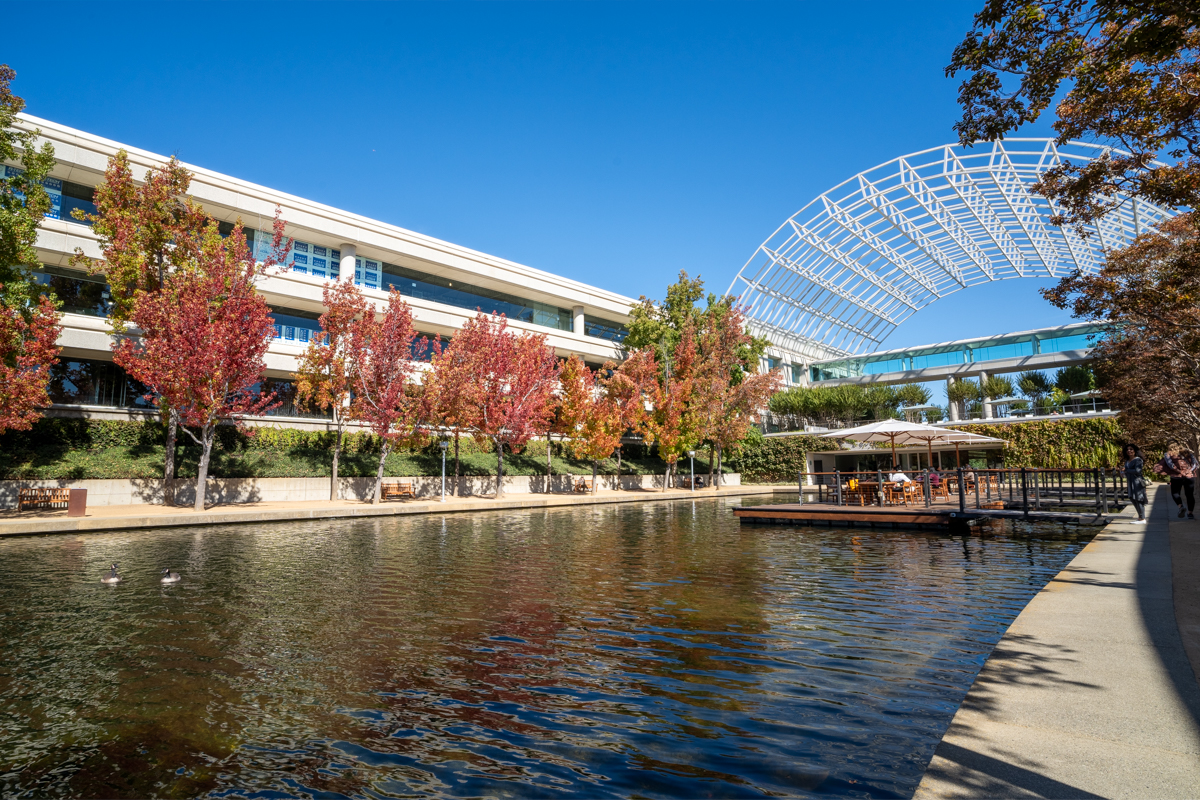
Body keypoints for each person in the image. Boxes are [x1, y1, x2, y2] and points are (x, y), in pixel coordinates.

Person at [1154, 444, 1197, 520]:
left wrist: (1180, 471)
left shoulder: (1168, 454)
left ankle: (1180, 506)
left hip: (1176, 476)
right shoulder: (1188, 453)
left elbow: (1170, 465)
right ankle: (1190, 513)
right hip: (1189, 476)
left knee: (1175, 493)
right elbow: (1195, 464)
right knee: (1189, 495)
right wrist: (1189, 471)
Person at [1123, 443, 1149, 523]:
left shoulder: (1138, 460)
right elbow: (1126, 471)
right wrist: (1122, 472)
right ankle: (1140, 517)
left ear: (1135, 450)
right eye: (1127, 449)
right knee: (1132, 498)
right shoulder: (1127, 461)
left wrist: (1126, 470)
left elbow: (1138, 471)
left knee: (1138, 498)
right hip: (1130, 481)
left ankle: (1142, 518)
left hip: (1137, 482)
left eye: (1131, 449)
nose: (1129, 451)